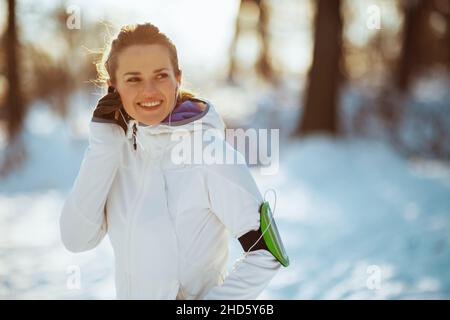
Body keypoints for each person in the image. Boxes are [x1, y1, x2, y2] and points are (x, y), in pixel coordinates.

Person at [60, 23, 287, 299]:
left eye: (160, 76)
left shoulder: (207, 151)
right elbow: (76, 238)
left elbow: (267, 253)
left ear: (177, 78)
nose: (149, 91)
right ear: (113, 87)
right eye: (133, 79)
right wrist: (102, 148)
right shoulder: (114, 154)